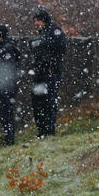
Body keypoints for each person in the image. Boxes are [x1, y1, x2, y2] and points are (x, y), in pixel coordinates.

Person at [29, 9, 66, 137]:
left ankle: (49, 131)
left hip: (50, 73)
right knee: (37, 104)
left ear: (43, 20)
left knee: (49, 103)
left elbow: (59, 47)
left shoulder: (54, 31)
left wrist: (48, 62)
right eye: (34, 21)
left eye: (38, 20)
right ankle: (41, 131)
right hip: (38, 74)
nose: (36, 23)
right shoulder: (38, 35)